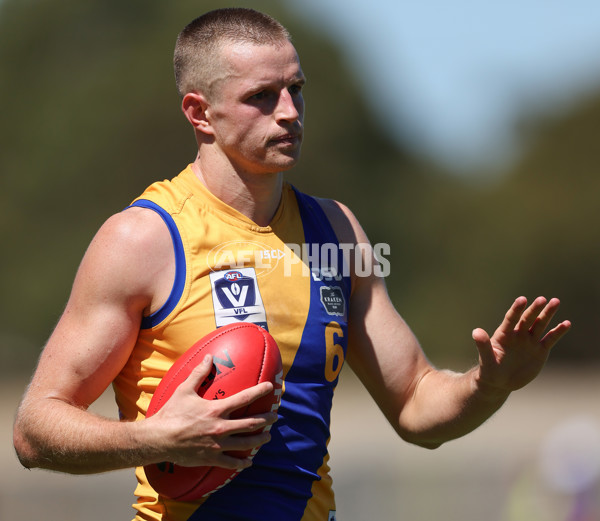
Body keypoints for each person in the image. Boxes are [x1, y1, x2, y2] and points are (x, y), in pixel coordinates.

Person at [13, 7, 571, 521]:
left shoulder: (336, 233)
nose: (289, 112)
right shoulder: (143, 238)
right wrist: (161, 438)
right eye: (262, 95)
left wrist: (490, 385)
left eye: (296, 89)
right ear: (200, 112)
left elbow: (416, 408)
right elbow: (35, 430)